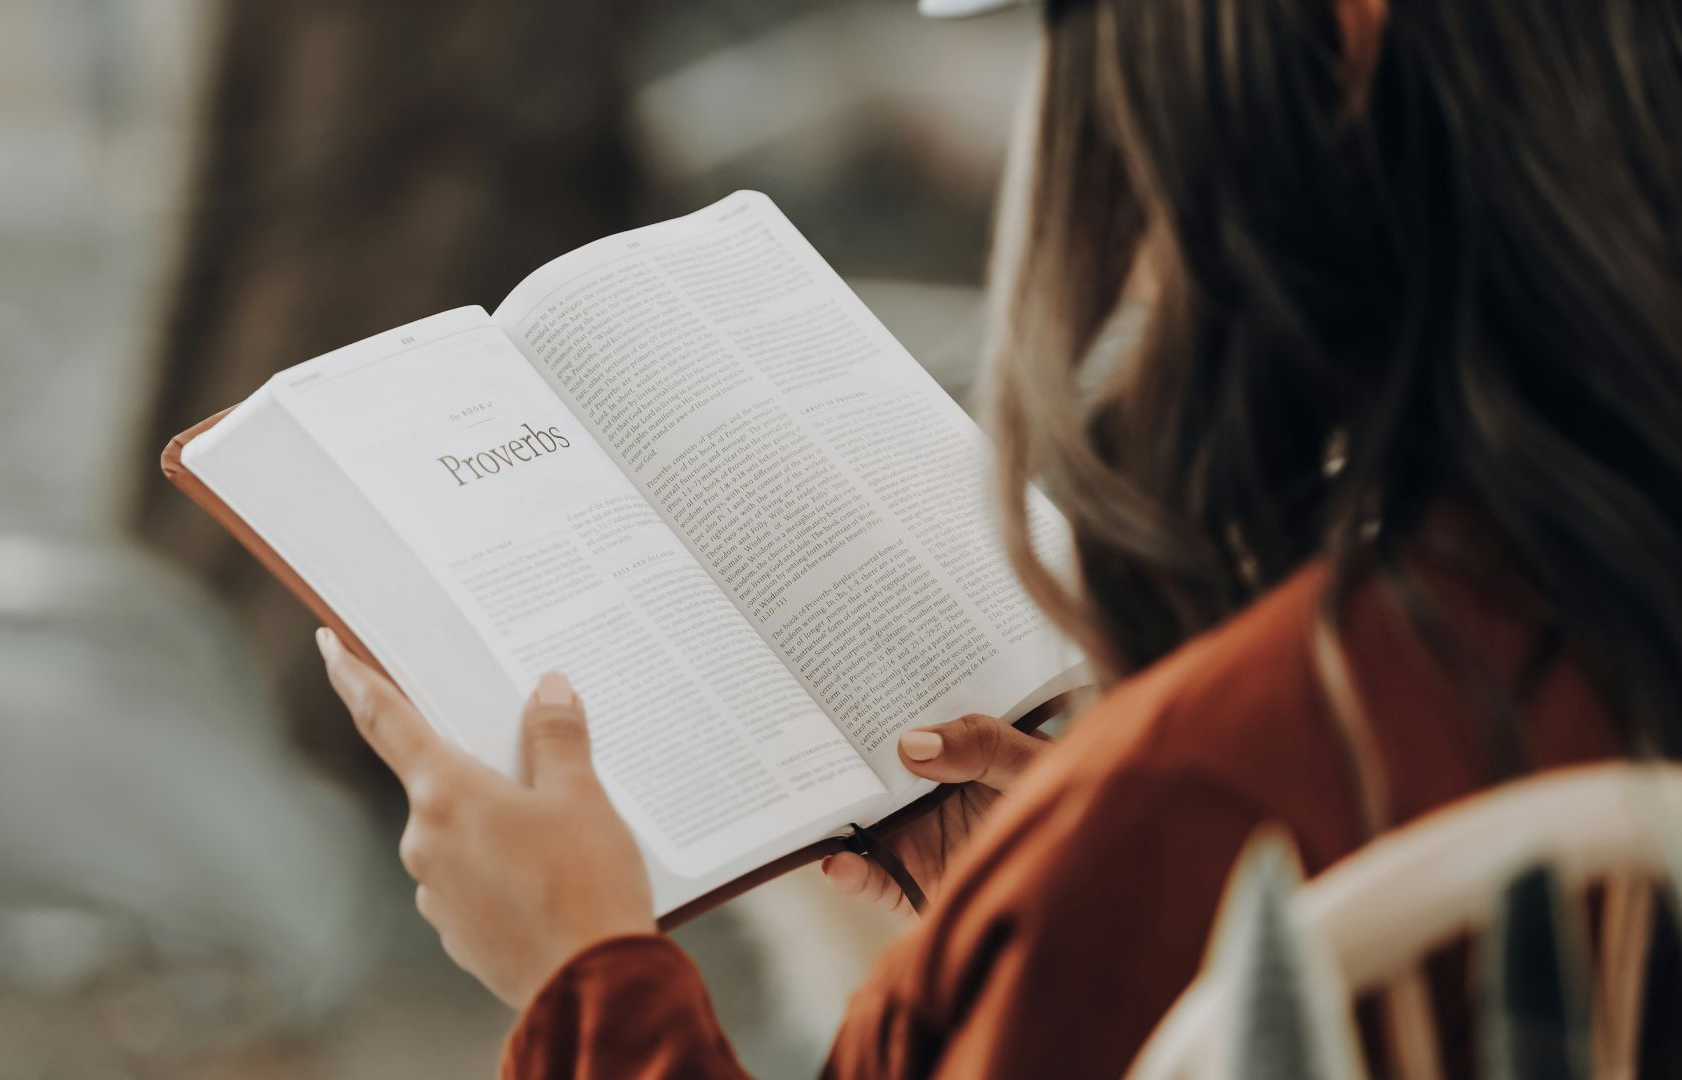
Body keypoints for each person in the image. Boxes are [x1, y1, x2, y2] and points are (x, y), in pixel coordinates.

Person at [316, 0, 1682, 1074]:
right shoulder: (1508, 648)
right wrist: (1048, 899)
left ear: (1334, 58)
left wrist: (582, 971)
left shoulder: (1220, 783)